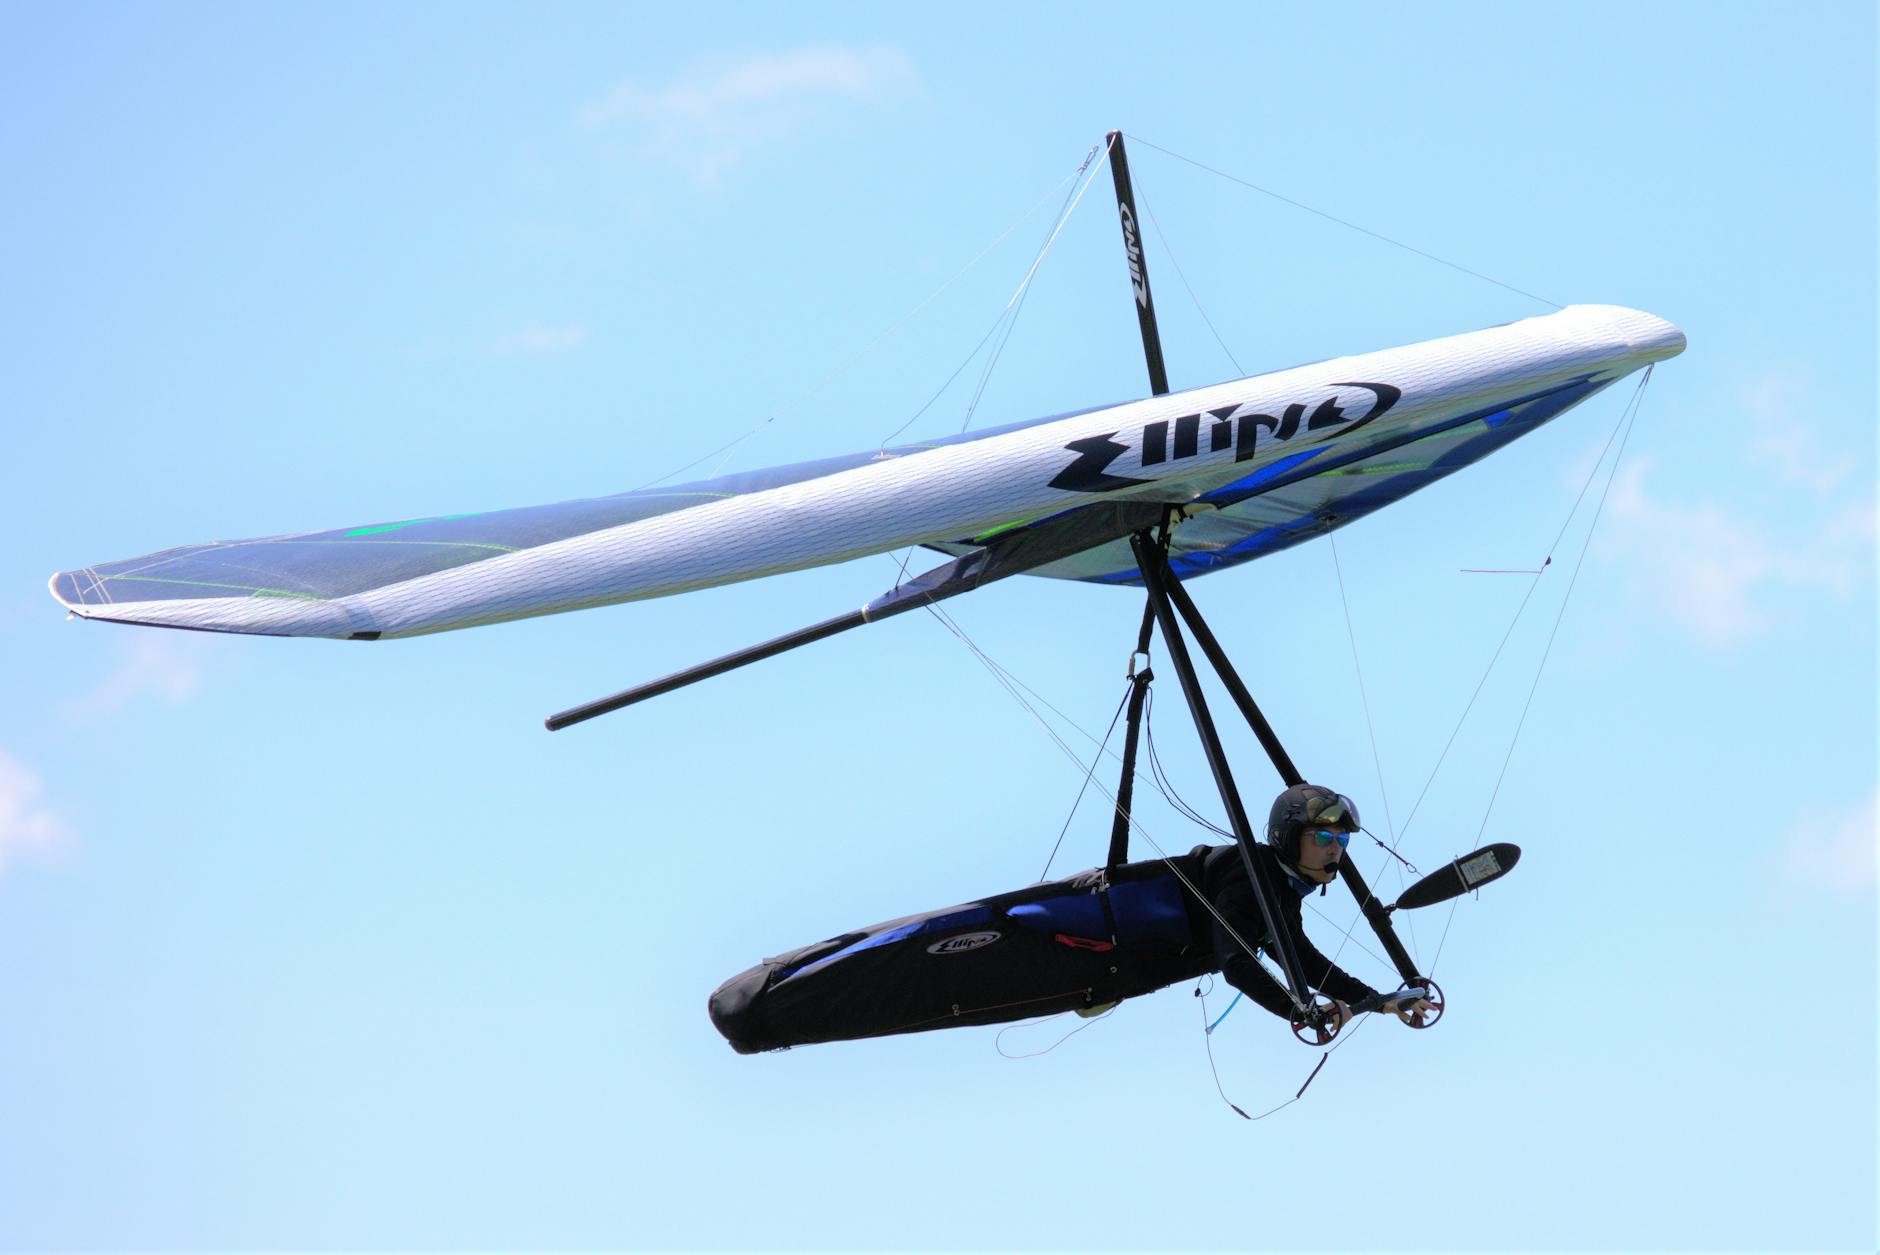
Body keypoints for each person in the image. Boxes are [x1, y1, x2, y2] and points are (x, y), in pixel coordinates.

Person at [1197, 783, 1434, 1031]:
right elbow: (1236, 962)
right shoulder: (1252, 876)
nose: (1335, 849)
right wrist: (1303, 1009)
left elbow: (1306, 963)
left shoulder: (1283, 891)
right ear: (1287, 838)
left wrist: (1382, 1003)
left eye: (1342, 839)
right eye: (1323, 837)